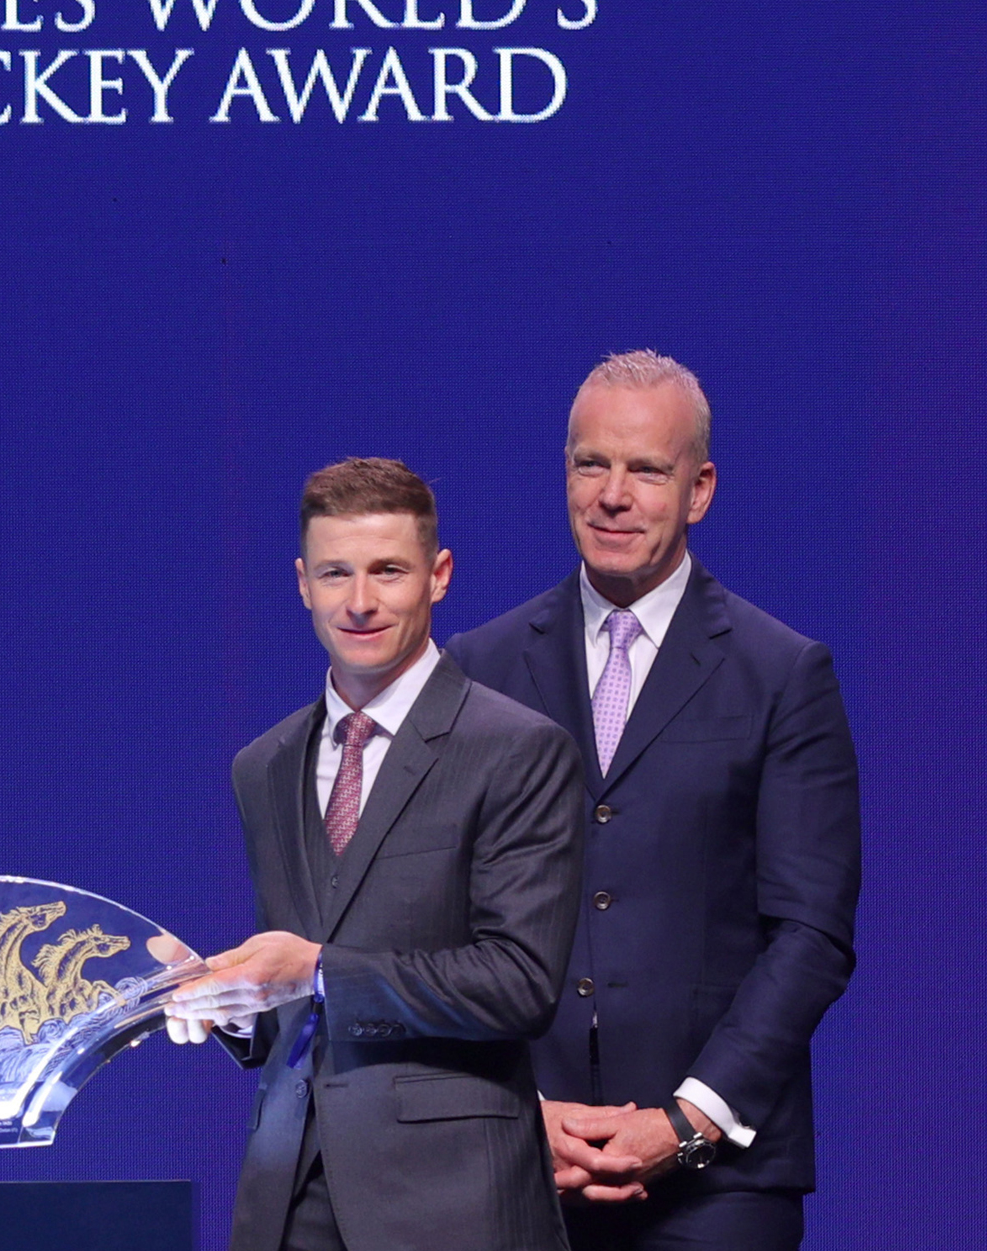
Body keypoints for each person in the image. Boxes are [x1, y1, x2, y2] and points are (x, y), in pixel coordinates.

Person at [444, 352, 860, 1250]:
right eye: (592, 464)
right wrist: (520, 1104)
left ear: (700, 489)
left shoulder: (782, 674)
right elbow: (443, 919)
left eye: (647, 469)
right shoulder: (479, 668)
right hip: (520, 1160)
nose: (613, 495)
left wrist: (686, 1123)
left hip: (719, 1183)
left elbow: (812, 933)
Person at [168, 458, 584, 1251]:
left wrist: (315, 968)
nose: (359, 602)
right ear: (301, 583)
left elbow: (519, 984)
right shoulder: (264, 765)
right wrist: (225, 997)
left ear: (439, 575)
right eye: (335, 573)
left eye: (388, 571)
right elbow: (295, 996)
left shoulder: (516, 750)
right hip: (285, 1196)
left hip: (452, 1199)